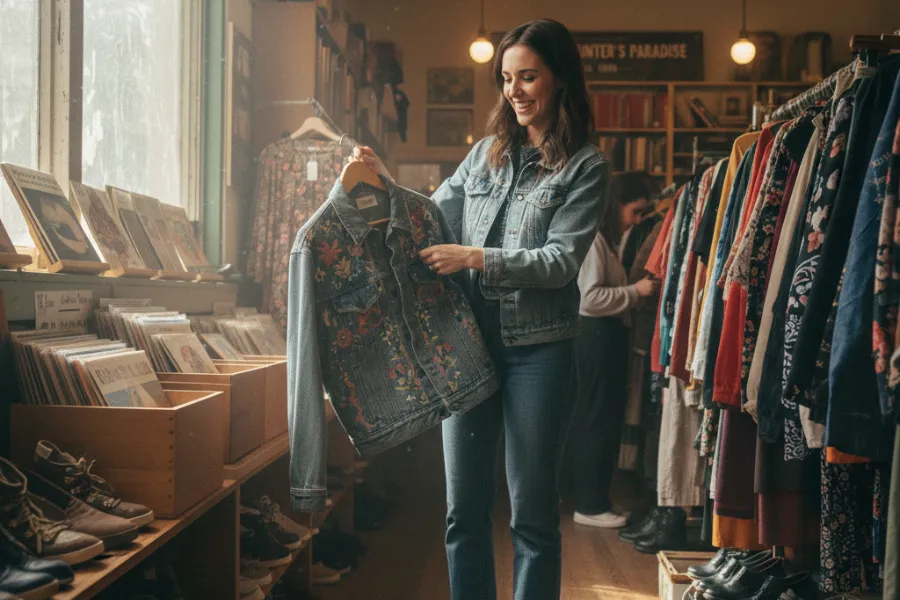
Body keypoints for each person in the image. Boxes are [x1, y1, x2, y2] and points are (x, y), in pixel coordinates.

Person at [354, 18, 610, 600]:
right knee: (463, 511)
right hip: (465, 346)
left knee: (532, 514)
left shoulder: (585, 167)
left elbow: (559, 262)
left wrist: (474, 257)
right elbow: (432, 216)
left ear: (560, 79)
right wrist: (387, 183)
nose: (515, 90)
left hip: (539, 353)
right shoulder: (484, 155)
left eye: (528, 77)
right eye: (506, 78)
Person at [569, 172, 658, 529]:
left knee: (602, 418)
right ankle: (589, 504)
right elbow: (588, 299)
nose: (637, 221)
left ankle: (596, 500)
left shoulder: (604, 241)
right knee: (597, 419)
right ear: (616, 204)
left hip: (602, 337)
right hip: (595, 337)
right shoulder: (593, 241)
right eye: (635, 211)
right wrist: (636, 292)